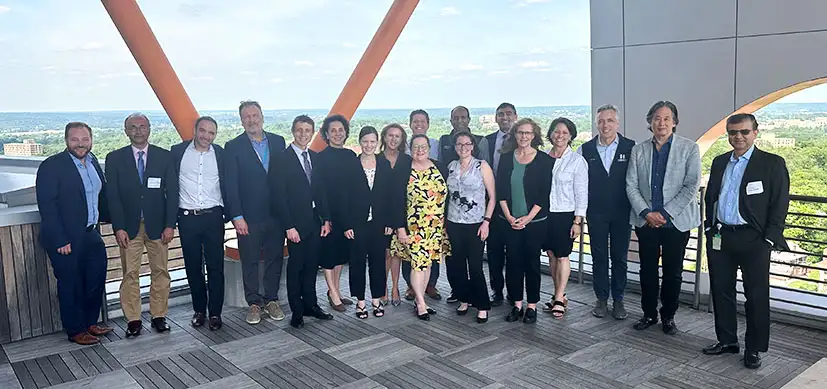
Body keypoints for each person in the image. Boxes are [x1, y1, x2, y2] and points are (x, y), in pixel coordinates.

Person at [701, 113, 790, 369]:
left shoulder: (771, 163)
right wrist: (709, 226)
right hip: (721, 237)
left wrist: (769, 239)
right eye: (732, 132)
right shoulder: (719, 162)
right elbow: (712, 198)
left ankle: (754, 348)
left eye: (743, 132)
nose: (737, 137)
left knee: (757, 295)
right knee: (721, 291)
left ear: (755, 133)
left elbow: (780, 202)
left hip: (755, 240)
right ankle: (727, 340)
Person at [626, 101, 701, 335]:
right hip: (645, 222)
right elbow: (631, 185)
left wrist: (665, 213)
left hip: (675, 222)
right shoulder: (639, 150)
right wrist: (647, 213)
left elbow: (691, 186)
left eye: (667, 118)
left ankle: (668, 316)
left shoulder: (689, 148)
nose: (662, 123)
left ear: (675, 122)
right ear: (650, 122)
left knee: (673, 272)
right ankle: (649, 314)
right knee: (647, 270)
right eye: (657, 118)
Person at [36, 122, 113, 345]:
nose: (80, 144)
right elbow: (47, 205)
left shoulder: (93, 162)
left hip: (91, 233)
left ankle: (90, 322)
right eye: (75, 139)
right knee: (70, 284)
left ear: (91, 140)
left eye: (84, 139)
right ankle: (75, 330)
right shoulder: (52, 166)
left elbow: (101, 195)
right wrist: (60, 239)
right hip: (65, 239)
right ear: (66, 140)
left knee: (95, 279)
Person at [105, 112, 178, 336]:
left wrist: (170, 225)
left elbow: (173, 193)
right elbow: (112, 196)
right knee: (130, 274)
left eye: (142, 126)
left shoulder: (164, 157)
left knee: (161, 272)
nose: (138, 131)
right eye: (133, 127)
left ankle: (158, 316)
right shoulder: (114, 158)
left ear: (149, 129)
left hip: (158, 227)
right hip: (128, 228)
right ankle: (133, 320)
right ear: (126, 131)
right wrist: (118, 227)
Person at [223, 100, 287, 325]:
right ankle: (253, 303)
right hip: (248, 217)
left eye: (255, 115)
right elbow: (230, 185)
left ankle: (271, 299)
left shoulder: (279, 142)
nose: (252, 120)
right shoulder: (233, 147)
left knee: (274, 258)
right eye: (247, 116)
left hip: (277, 215)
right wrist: (237, 216)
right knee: (249, 260)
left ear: (262, 116)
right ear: (241, 121)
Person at [274, 115, 334, 329]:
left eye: (307, 130)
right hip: (295, 226)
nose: (303, 134)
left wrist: (327, 219)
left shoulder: (315, 158)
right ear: (293, 131)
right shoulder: (281, 159)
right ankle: (297, 311)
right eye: (299, 130)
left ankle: (311, 305)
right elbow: (279, 196)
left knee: (311, 267)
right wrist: (288, 226)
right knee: (296, 267)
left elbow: (322, 193)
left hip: (315, 222)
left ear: (312, 133)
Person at [578, 104, 635, 320]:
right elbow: (580, 184)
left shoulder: (631, 147)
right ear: (596, 123)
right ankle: (601, 299)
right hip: (596, 213)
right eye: (601, 121)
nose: (605, 125)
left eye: (610, 120)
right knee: (599, 257)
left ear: (617, 123)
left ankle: (618, 300)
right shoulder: (585, 149)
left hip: (622, 213)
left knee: (620, 258)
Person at [170, 116, 226, 331]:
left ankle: (215, 313)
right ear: (194, 130)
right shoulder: (177, 152)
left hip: (213, 217)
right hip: (187, 218)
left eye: (211, 133)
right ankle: (199, 311)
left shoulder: (221, 153)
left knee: (216, 268)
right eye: (203, 131)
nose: (206, 136)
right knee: (193, 267)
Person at [497, 118, 553, 324]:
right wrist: (510, 217)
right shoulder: (505, 159)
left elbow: (543, 195)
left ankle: (532, 306)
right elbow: (501, 190)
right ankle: (517, 304)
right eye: (520, 132)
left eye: (528, 133)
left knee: (532, 263)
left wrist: (527, 219)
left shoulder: (545, 160)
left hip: (535, 222)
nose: (524, 136)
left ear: (534, 135)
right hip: (509, 220)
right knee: (512, 264)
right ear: (515, 134)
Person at [437, 105, 490, 303]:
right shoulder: (444, 142)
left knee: (474, 263)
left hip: (475, 214)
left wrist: (486, 218)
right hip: (451, 212)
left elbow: (487, 185)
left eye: (463, 117)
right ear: (451, 120)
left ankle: (479, 299)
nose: (459, 120)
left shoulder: (480, 142)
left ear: (469, 120)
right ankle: (459, 292)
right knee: (454, 258)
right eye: (455, 117)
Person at [394, 134, 450, 321]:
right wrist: (400, 228)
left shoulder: (439, 167)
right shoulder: (403, 169)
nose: (420, 150)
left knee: (427, 265)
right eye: (416, 146)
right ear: (410, 149)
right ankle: (420, 302)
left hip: (435, 227)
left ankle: (422, 299)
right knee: (418, 265)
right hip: (414, 228)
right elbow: (396, 200)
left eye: (423, 146)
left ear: (429, 147)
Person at [445, 131, 496, 323]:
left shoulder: (481, 166)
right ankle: (464, 298)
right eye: (459, 144)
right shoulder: (451, 166)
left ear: (473, 146)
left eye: (467, 144)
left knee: (474, 266)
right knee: (457, 265)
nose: (463, 147)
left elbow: (492, 197)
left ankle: (482, 304)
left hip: (476, 223)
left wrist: (487, 222)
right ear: (455, 147)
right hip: (454, 223)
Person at [345, 126, 394, 319]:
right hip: (357, 223)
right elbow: (344, 198)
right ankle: (360, 302)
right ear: (360, 142)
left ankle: (376, 300)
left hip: (379, 223)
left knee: (378, 263)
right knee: (357, 263)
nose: (369, 145)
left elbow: (390, 196)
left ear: (377, 143)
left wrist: (390, 221)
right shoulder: (351, 166)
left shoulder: (384, 164)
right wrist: (347, 225)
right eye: (365, 141)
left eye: (372, 141)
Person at [542, 118, 588, 319]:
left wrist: (578, 221)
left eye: (564, 132)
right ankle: (558, 294)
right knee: (551, 254)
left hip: (565, 214)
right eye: (556, 131)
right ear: (550, 134)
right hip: (545, 214)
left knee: (562, 255)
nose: (559, 135)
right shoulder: (543, 158)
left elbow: (582, 192)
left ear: (571, 136)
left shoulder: (577, 161)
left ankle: (559, 298)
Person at [316, 114, 361, 311]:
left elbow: (356, 187)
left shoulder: (351, 156)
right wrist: (325, 217)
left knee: (341, 254)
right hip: (329, 215)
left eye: (340, 130)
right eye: (332, 130)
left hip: (347, 214)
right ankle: (332, 292)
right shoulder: (321, 158)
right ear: (326, 133)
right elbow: (319, 191)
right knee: (329, 255)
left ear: (345, 132)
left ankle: (335, 289)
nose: (337, 134)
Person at [484, 102, 517, 306]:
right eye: (500, 114)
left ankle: (515, 293)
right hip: (491, 205)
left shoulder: (523, 139)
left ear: (515, 116)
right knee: (494, 251)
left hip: (515, 205)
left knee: (514, 252)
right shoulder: (487, 142)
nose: (504, 117)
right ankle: (496, 291)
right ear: (495, 118)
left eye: (508, 114)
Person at [378, 123, 412, 306]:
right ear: (384, 137)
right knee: (386, 254)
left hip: (401, 213)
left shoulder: (407, 160)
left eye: (397, 136)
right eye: (390, 135)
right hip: (382, 215)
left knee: (397, 253)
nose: (393, 139)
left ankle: (395, 288)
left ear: (402, 139)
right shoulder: (376, 159)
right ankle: (383, 290)